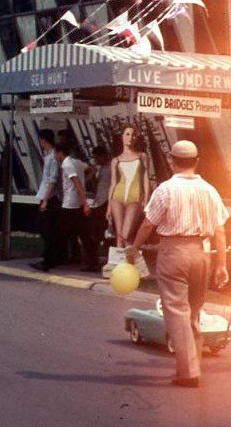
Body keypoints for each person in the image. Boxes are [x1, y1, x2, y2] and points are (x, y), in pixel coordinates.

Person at [126, 140, 229, 388]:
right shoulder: (209, 190)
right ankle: (191, 365)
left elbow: (148, 224)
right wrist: (221, 265)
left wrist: (135, 247)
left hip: (173, 253)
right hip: (201, 253)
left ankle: (189, 372)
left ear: (172, 161)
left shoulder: (166, 189)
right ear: (197, 161)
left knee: (177, 312)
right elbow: (219, 230)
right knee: (193, 312)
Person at [55, 140, 100, 272]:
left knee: (59, 231)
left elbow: (77, 184)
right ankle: (92, 261)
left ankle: (53, 258)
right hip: (77, 203)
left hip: (70, 204)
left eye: (55, 153)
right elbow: (93, 169)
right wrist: (85, 180)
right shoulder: (77, 162)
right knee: (84, 234)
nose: (54, 156)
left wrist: (85, 203)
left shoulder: (67, 164)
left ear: (60, 153)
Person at [108, 125, 150, 247]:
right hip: (117, 197)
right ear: (122, 137)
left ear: (136, 138)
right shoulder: (116, 160)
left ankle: (130, 257)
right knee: (119, 237)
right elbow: (113, 183)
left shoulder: (142, 156)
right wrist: (108, 206)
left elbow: (145, 178)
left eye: (133, 135)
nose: (130, 137)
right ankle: (123, 259)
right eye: (127, 134)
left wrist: (146, 199)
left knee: (125, 234)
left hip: (135, 198)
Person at [30, 129, 61, 272]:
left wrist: (46, 200)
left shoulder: (53, 157)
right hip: (44, 195)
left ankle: (49, 259)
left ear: (43, 140)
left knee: (47, 230)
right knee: (43, 228)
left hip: (50, 197)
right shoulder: (48, 156)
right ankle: (48, 256)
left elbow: (53, 180)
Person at [87, 144, 110, 261]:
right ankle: (94, 256)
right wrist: (92, 177)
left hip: (106, 201)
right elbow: (96, 186)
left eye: (98, 157)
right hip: (98, 200)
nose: (96, 160)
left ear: (104, 156)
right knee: (95, 230)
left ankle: (105, 253)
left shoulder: (111, 168)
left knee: (103, 229)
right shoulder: (99, 169)